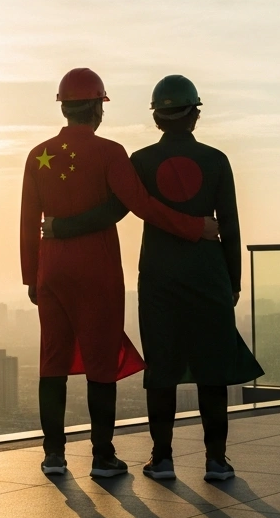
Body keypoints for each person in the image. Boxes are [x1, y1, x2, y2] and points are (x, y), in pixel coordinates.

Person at [46, 74, 263, 482]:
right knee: (212, 370)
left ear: (157, 118)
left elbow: (114, 211)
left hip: (159, 279)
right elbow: (230, 225)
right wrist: (233, 280)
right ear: (194, 115)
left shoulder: (141, 161)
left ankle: (162, 459)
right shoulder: (217, 160)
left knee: (162, 368)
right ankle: (216, 460)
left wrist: (60, 227)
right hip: (209, 275)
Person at [21, 68, 219, 478]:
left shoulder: (38, 154)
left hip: (51, 269)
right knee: (101, 363)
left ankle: (54, 455)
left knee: (52, 362)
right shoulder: (110, 153)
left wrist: (30, 276)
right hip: (97, 271)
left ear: (64, 107)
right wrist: (194, 227)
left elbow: (28, 221)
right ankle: (102, 457)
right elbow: (141, 205)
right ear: (98, 107)